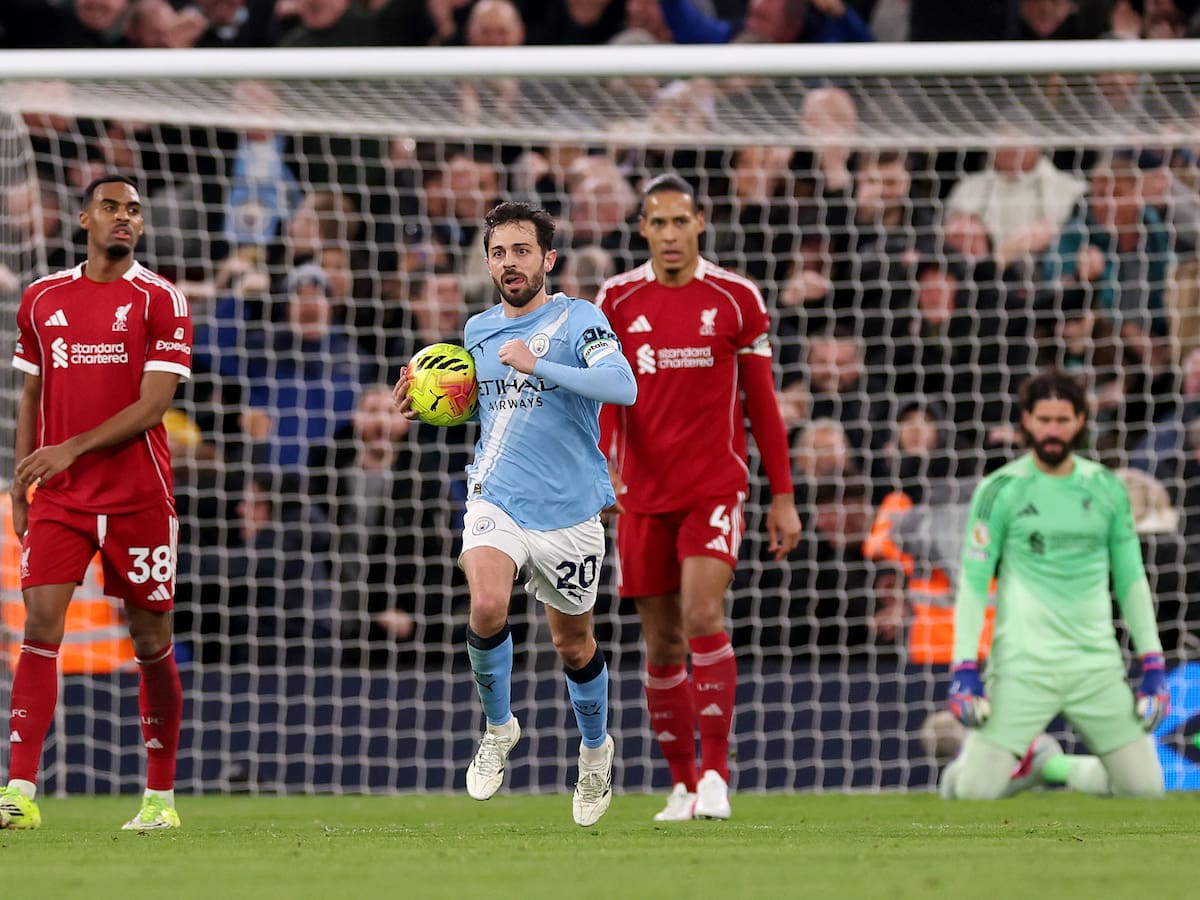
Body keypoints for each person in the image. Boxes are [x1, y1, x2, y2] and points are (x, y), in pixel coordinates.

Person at [393, 201, 636, 826]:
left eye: (522, 251)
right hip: (495, 495)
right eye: (499, 252)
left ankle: (594, 750)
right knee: (485, 605)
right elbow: (494, 408)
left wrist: (540, 364)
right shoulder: (477, 330)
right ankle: (499, 729)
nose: (510, 263)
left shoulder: (580, 320)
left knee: (573, 644)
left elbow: (623, 387)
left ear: (547, 259)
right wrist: (434, 404)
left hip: (570, 511)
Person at [596, 173, 802, 821]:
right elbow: (603, 394)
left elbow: (763, 406)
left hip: (714, 487)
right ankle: (681, 785)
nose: (669, 234)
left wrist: (784, 496)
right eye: (657, 223)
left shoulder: (736, 298)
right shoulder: (617, 298)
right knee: (660, 645)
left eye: (680, 221)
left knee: (702, 615)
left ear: (700, 224)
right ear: (642, 230)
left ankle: (716, 772)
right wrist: (603, 466)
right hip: (641, 497)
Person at [2, 174, 193, 830]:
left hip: (140, 497)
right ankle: (19, 793)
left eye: (134, 211)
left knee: (151, 641)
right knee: (41, 629)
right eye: (112, 207)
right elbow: (31, 396)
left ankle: (160, 799)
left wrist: (67, 450)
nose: (125, 218)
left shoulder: (160, 300)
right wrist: (23, 480)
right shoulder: (41, 299)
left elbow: (153, 406)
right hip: (61, 497)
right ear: (84, 217)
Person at [940, 369, 1169, 800]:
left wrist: (1153, 663)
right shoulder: (1000, 490)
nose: (1052, 430)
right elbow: (973, 584)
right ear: (1025, 420)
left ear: (1081, 420)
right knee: (970, 795)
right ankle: (964, 773)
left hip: (1094, 666)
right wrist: (965, 667)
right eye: (1043, 420)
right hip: (1022, 666)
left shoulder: (1106, 490)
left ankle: (1050, 763)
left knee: (1146, 791)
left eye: (1062, 420)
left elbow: (1132, 580)